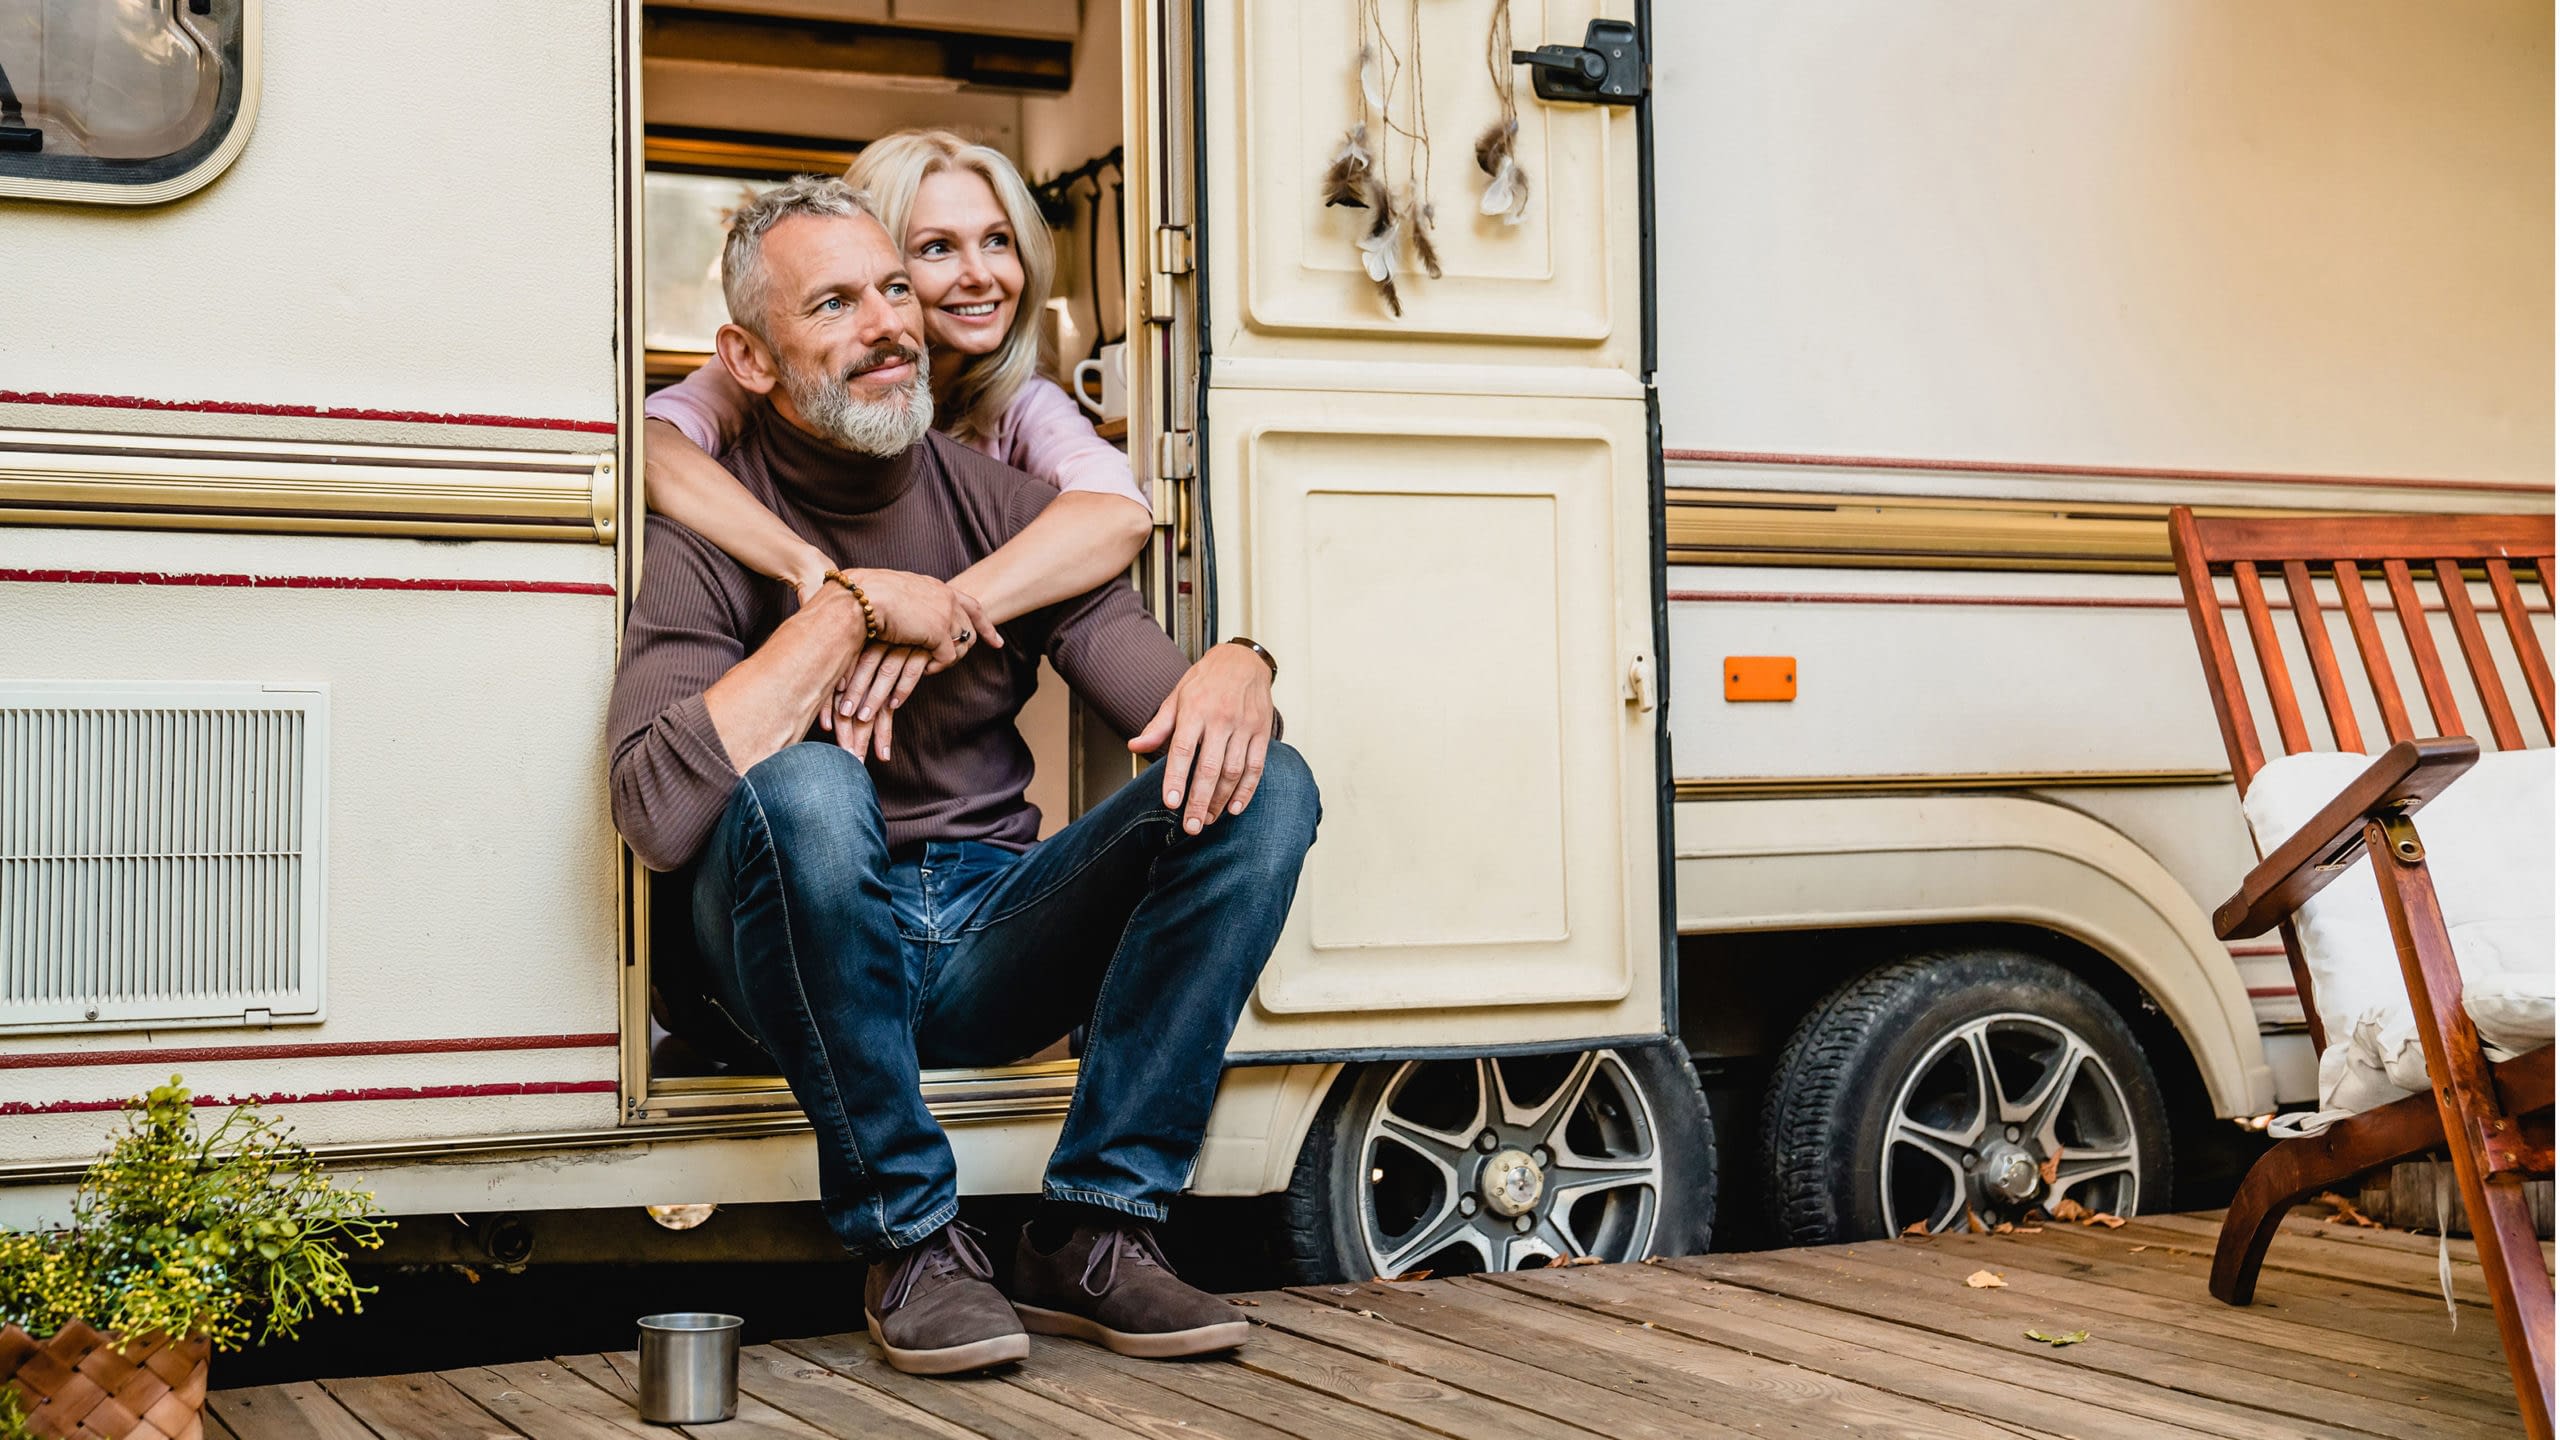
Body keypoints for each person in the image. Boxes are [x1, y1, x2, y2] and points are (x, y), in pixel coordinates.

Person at [606, 175, 1320, 1377]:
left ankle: (1097, 1228)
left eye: (894, 289)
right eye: (833, 303)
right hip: (788, 961)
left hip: (989, 933)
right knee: (812, 790)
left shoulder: (1002, 509)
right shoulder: (709, 527)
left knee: (1264, 781)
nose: (888, 322)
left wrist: (1243, 668)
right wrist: (838, 614)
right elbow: (656, 813)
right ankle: (914, 1241)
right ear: (751, 357)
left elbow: (1169, 713)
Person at [646, 130, 1148, 753]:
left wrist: (939, 610)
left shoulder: (1018, 403)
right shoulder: (765, 373)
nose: (981, 274)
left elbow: (1116, 512)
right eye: (936, 248)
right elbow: (649, 450)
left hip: (940, 727)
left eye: (998, 241)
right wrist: (823, 579)